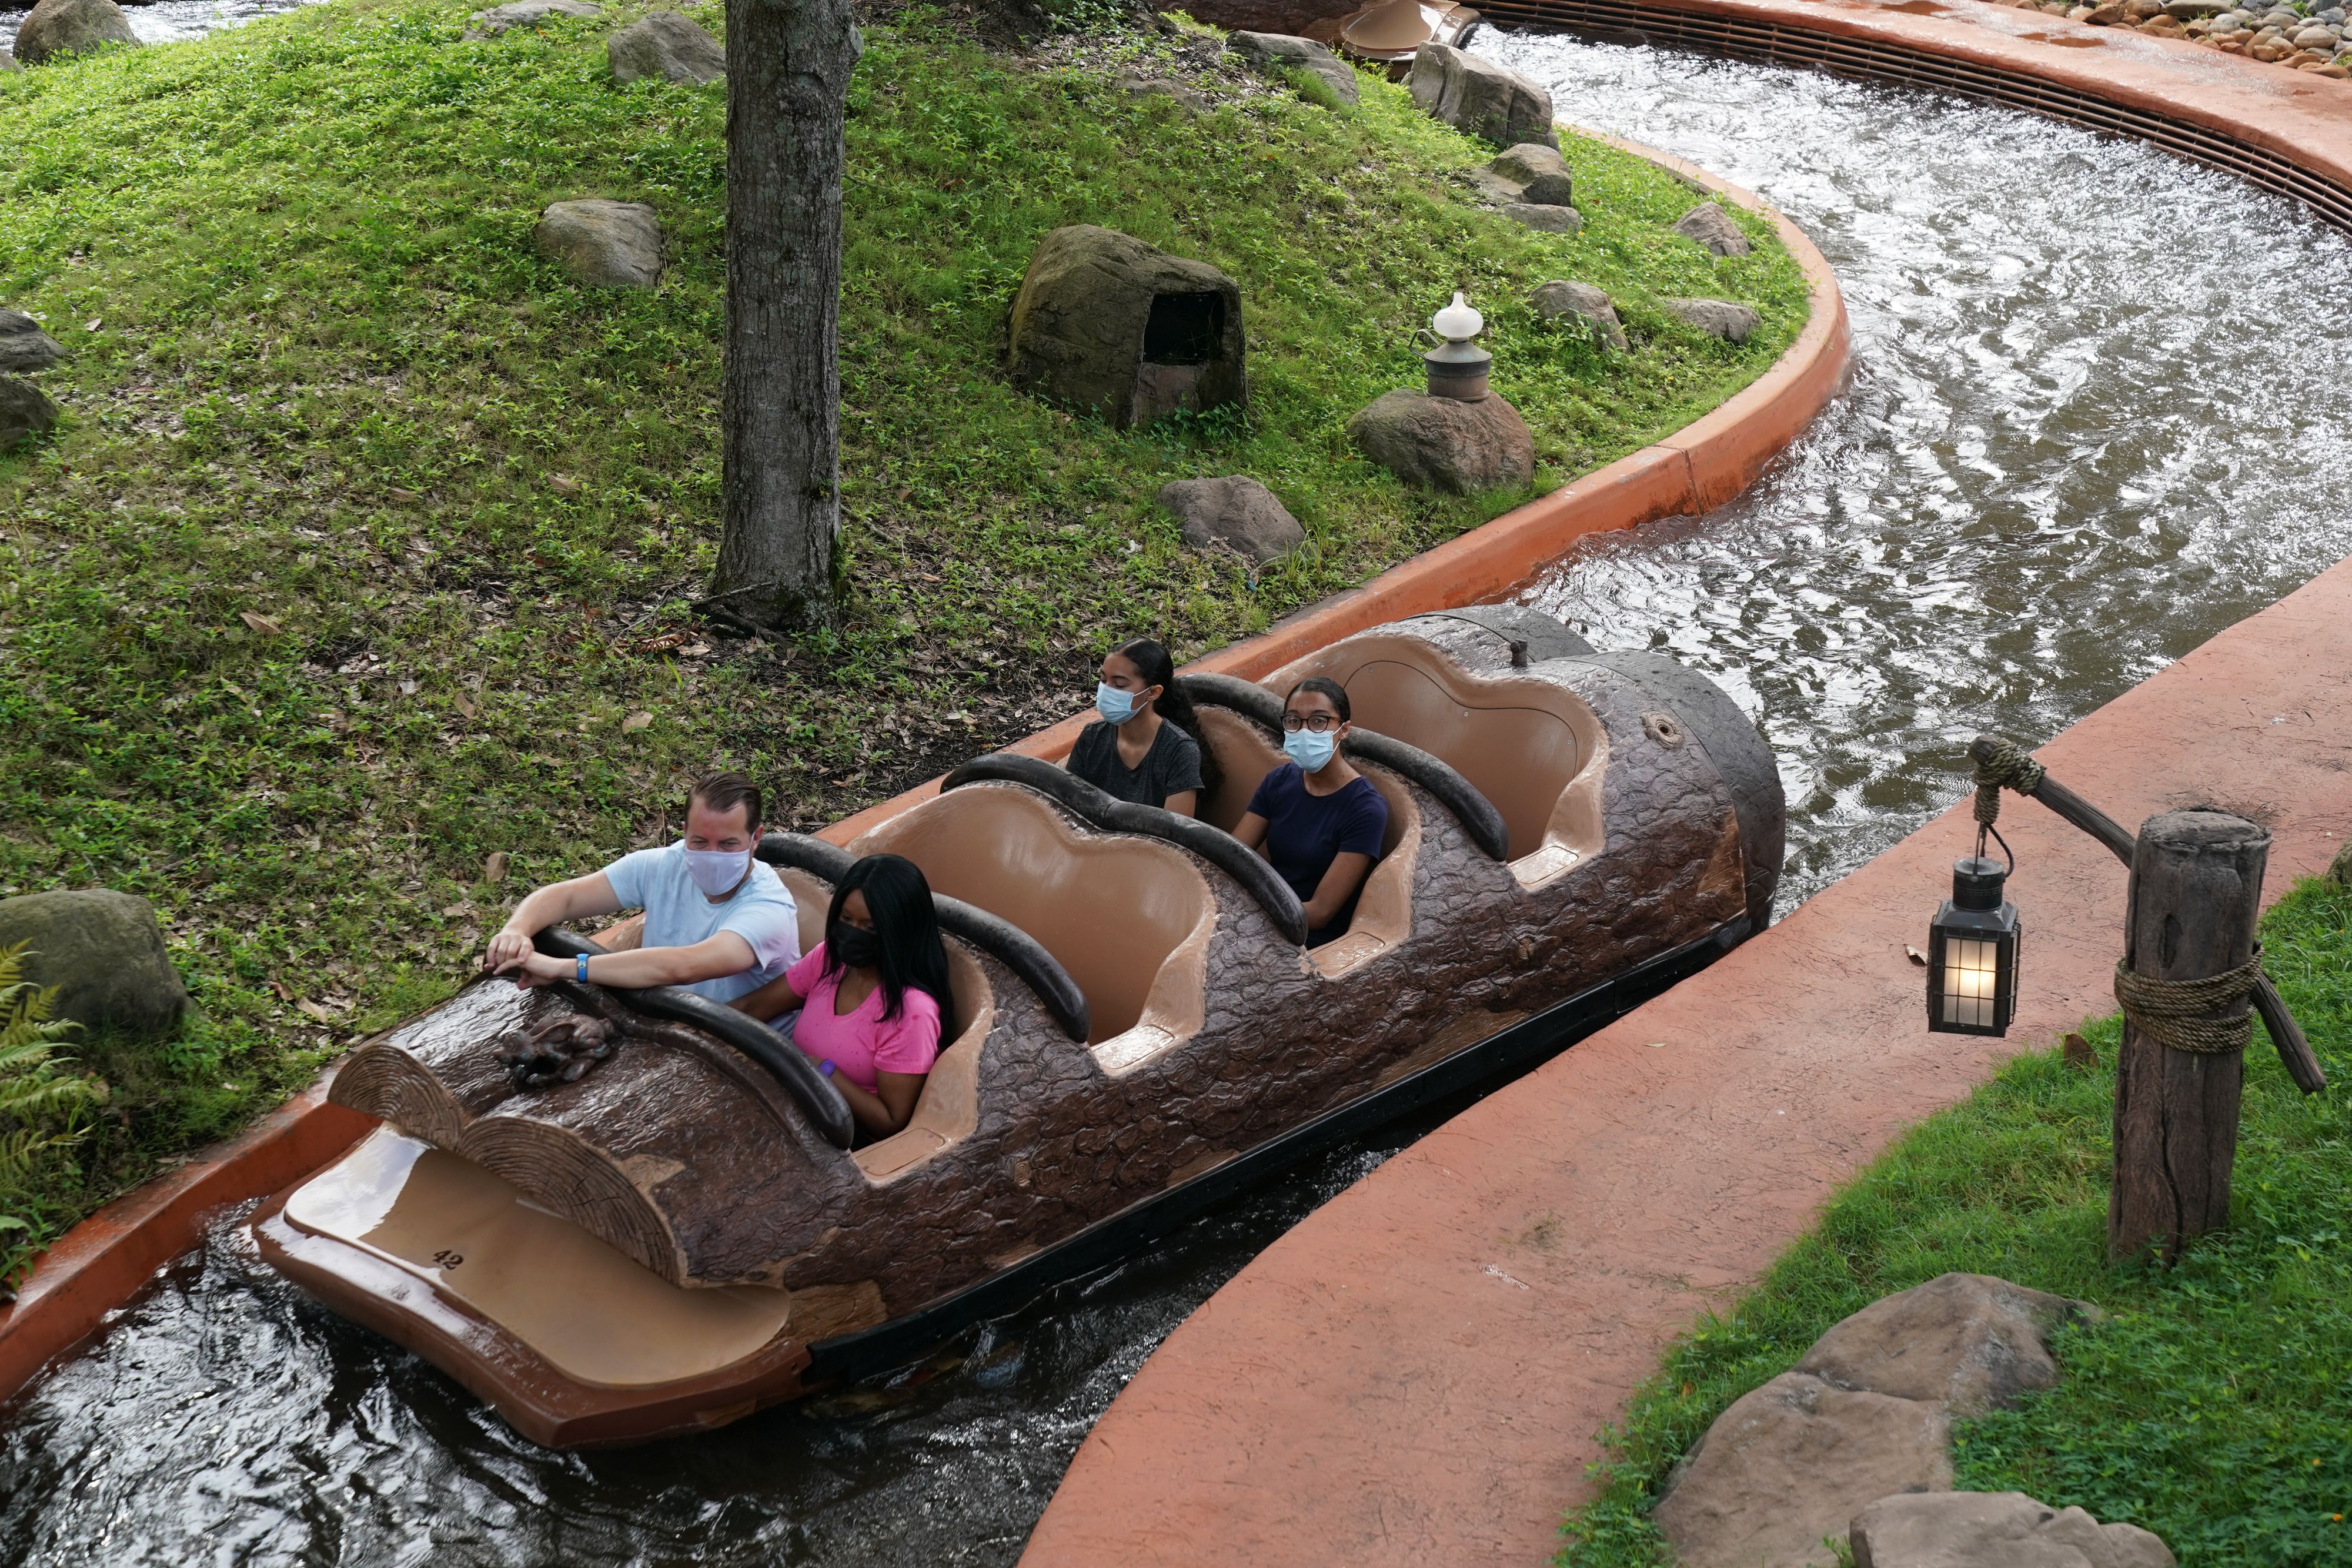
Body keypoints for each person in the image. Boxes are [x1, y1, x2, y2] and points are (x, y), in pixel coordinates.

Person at [484, 772, 800, 1004]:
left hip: (749, 1048)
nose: (712, 856)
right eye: (700, 842)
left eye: (729, 845)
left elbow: (683, 966)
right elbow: (566, 897)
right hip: (669, 1018)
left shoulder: (768, 909)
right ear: (684, 832)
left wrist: (560, 967)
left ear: (755, 839)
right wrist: (517, 929)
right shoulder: (663, 865)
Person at [732, 854, 949, 1138]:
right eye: (846, 919)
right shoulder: (830, 960)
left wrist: (824, 1072)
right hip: (796, 1105)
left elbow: (891, 1120)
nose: (852, 933)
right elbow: (753, 1006)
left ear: (899, 932)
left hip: (845, 1137)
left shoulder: (911, 1011)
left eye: (869, 928)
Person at [1232, 677, 1388, 947]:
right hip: (1260, 917)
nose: (1304, 731)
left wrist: (1251, 921)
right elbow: (1234, 855)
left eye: (1319, 721)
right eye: (1294, 721)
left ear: (1344, 730)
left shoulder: (1365, 808)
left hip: (1307, 939)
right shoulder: (1279, 780)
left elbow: (1320, 912)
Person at [1066, 637, 1220, 816]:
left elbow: (1173, 835)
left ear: (1153, 693)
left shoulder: (1180, 751)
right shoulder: (1093, 737)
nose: (1107, 690)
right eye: (1103, 679)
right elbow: (1066, 806)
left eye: (1119, 685)